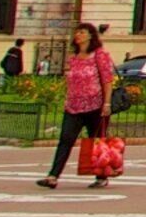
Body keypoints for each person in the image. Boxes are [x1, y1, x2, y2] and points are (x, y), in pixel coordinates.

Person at [38, 26, 114, 189]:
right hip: (73, 106)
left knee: (96, 142)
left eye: (82, 32)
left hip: (95, 105)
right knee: (65, 139)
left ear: (90, 36)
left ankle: (101, 176)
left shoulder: (99, 55)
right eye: (77, 32)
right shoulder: (73, 58)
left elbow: (107, 80)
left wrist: (106, 103)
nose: (78, 35)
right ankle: (53, 176)